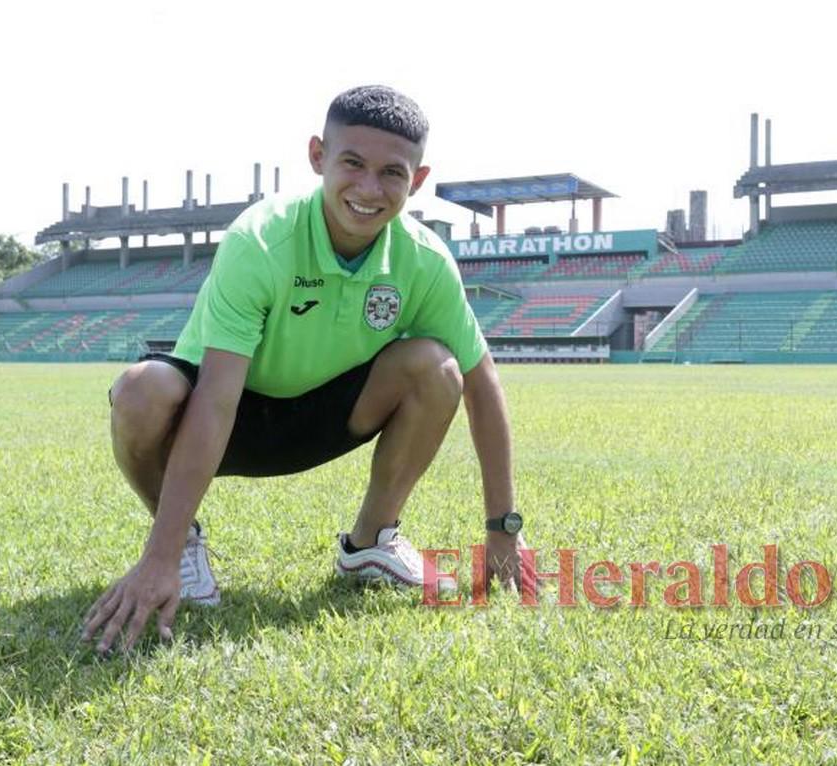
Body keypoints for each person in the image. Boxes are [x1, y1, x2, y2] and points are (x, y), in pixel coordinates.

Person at [82, 85, 531, 654]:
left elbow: (482, 384)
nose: (369, 189)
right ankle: (181, 546)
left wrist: (502, 532)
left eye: (392, 173)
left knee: (437, 367)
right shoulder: (261, 240)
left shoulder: (424, 260)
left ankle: (370, 543)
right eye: (352, 163)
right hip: (217, 419)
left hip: (325, 418)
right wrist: (159, 557)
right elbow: (217, 396)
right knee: (141, 390)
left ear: (417, 181)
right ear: (318, 155)